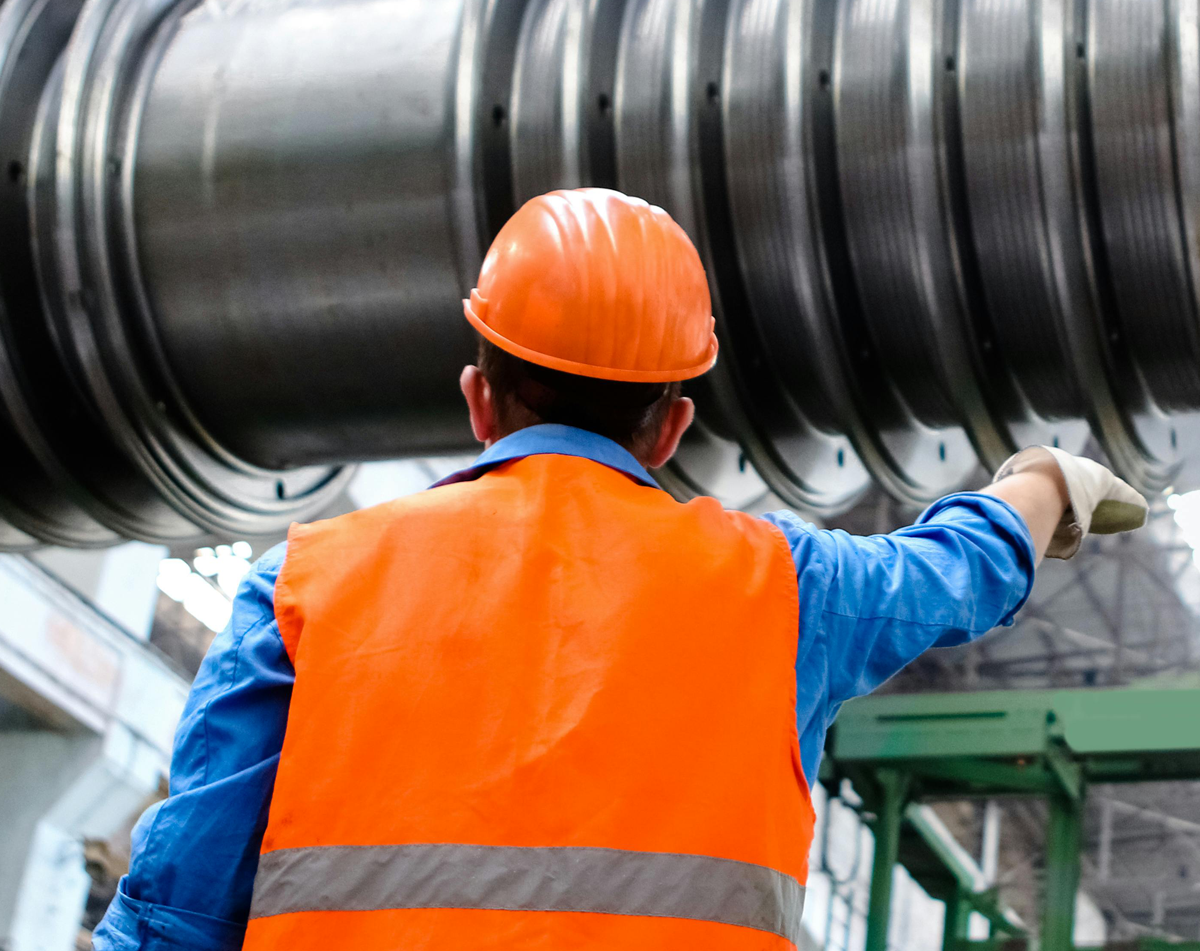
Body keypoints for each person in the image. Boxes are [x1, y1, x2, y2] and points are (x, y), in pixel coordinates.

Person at [93, 188, 1147, 951]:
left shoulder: (306, 582)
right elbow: (952, 571)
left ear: (479, 397)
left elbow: (177, 913)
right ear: (672, 424)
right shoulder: (786, 589)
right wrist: (1041, 482)